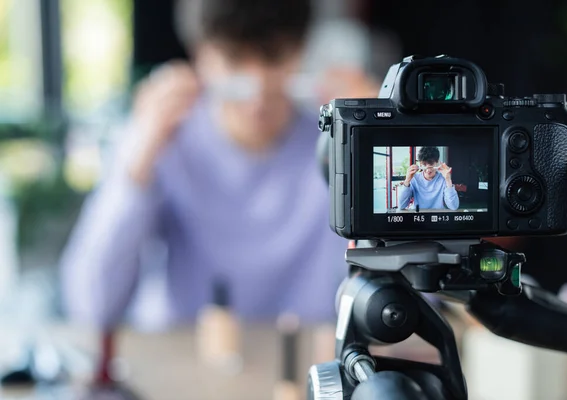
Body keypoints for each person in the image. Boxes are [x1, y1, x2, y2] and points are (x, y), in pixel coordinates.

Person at [59, 0, 379, 330]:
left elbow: (417, 304)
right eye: (235, 60)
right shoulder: (164, 142)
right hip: (186, 366)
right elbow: (90, 306)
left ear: (301, 50)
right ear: (200, 56)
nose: (257, 91)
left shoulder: (340, 147)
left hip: (306, 365)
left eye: (274, 57)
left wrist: (383, 145)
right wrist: (136, 165)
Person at [398, 146, 459, 211]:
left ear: (437, 162)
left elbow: (454, 206)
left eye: (431, 163)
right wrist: (407, 180)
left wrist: (448, 179)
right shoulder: (414, 179)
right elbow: (401, 206)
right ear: (420, 164)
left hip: (437, 216)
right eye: (424, 164)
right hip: (418, 216)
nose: (428, 169)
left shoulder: (443, 179)